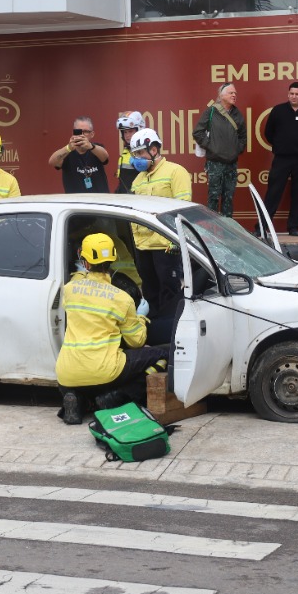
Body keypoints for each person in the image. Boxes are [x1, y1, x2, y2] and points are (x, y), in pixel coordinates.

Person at [55, 233, 170, 425]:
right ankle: (116, 397)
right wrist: (141, 316)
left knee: (84, 380)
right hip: (105, 372)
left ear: (83, 260)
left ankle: (76, 399)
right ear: (114, 258)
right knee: (163, 354)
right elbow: (137, 341)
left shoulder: (69, 290)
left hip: (66, 375)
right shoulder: (122, 299)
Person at [127, 128, 191, 343]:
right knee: (150, 292)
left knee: (169, 294)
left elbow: (182, 209)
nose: (137, 159)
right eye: (134, 155)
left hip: (166, 246)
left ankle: (171, 338)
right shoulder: (138, 180)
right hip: (143, 247)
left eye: (140, 154)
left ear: (154, 149)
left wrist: (176, 241)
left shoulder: (175, 172)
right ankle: (154, 337)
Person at [261, 82, 298, 236]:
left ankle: (294, 227)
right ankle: (263, 226)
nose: (294, 96)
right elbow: (268, 133)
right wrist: (282, 145)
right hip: (282, 158)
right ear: (288, 94)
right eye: (291, 93)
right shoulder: (278, 111)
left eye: (297, 94)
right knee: (273, 192)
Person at [193, 82, 246, 218]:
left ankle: (227, 230)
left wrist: (237, 150)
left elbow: (243, 137)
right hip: (215, 163)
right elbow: (197, 132)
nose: (234, 95)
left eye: (235, 93)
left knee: (228, 198)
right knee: (214, 197)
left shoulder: (237, 114)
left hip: (231, 164)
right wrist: (212, 147)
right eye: (231, 93)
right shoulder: (211, 112)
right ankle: (212, 230)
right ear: (221, 95)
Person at [47, 116, 109, 193]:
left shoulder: (96, 148)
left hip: (99, 200)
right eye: (78, 131)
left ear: (92, 134)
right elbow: (52, 162)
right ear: (73, 133)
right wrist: (68, 148)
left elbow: (105, 157)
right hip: (76, 202)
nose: (81, 135)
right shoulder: (67, 152)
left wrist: (90, 146)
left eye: (85, 132)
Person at [115, 111, 144, 194]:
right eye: (125, 132)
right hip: (125, 199)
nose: (127, 135)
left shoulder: (145, 153)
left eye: (130, 131)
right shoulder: (125, 152)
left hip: (139, 200)